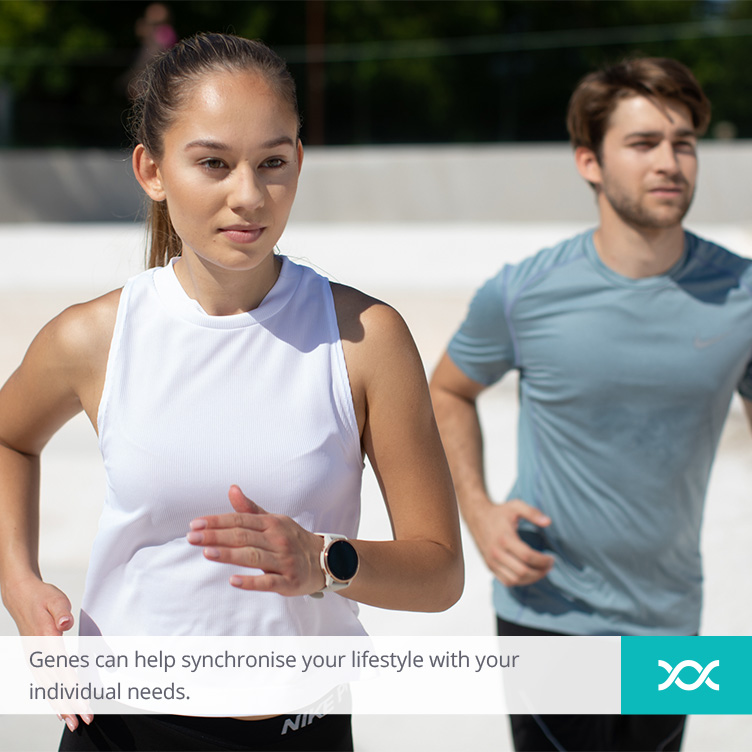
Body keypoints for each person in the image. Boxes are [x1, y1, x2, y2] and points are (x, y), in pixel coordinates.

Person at [0, 33, 463, 751]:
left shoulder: (365, 338)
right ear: (151, 171)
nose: (248, 195)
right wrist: (20, 589)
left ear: (299, 164)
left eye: (273, 163)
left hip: (302, 727)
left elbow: (439, 572)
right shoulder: (96, 336)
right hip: (120, 729)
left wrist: (326, 561)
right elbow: (8, 436)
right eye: (213, 163)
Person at [430, 57, 752, 752]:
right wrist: (479, 514)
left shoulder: (743, 296)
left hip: (670, 618)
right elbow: (448, 390)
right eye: (643, 144)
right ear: (590, 161)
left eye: (684, 142)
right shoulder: (522, 293)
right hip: (548, 613)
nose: (670, 161)